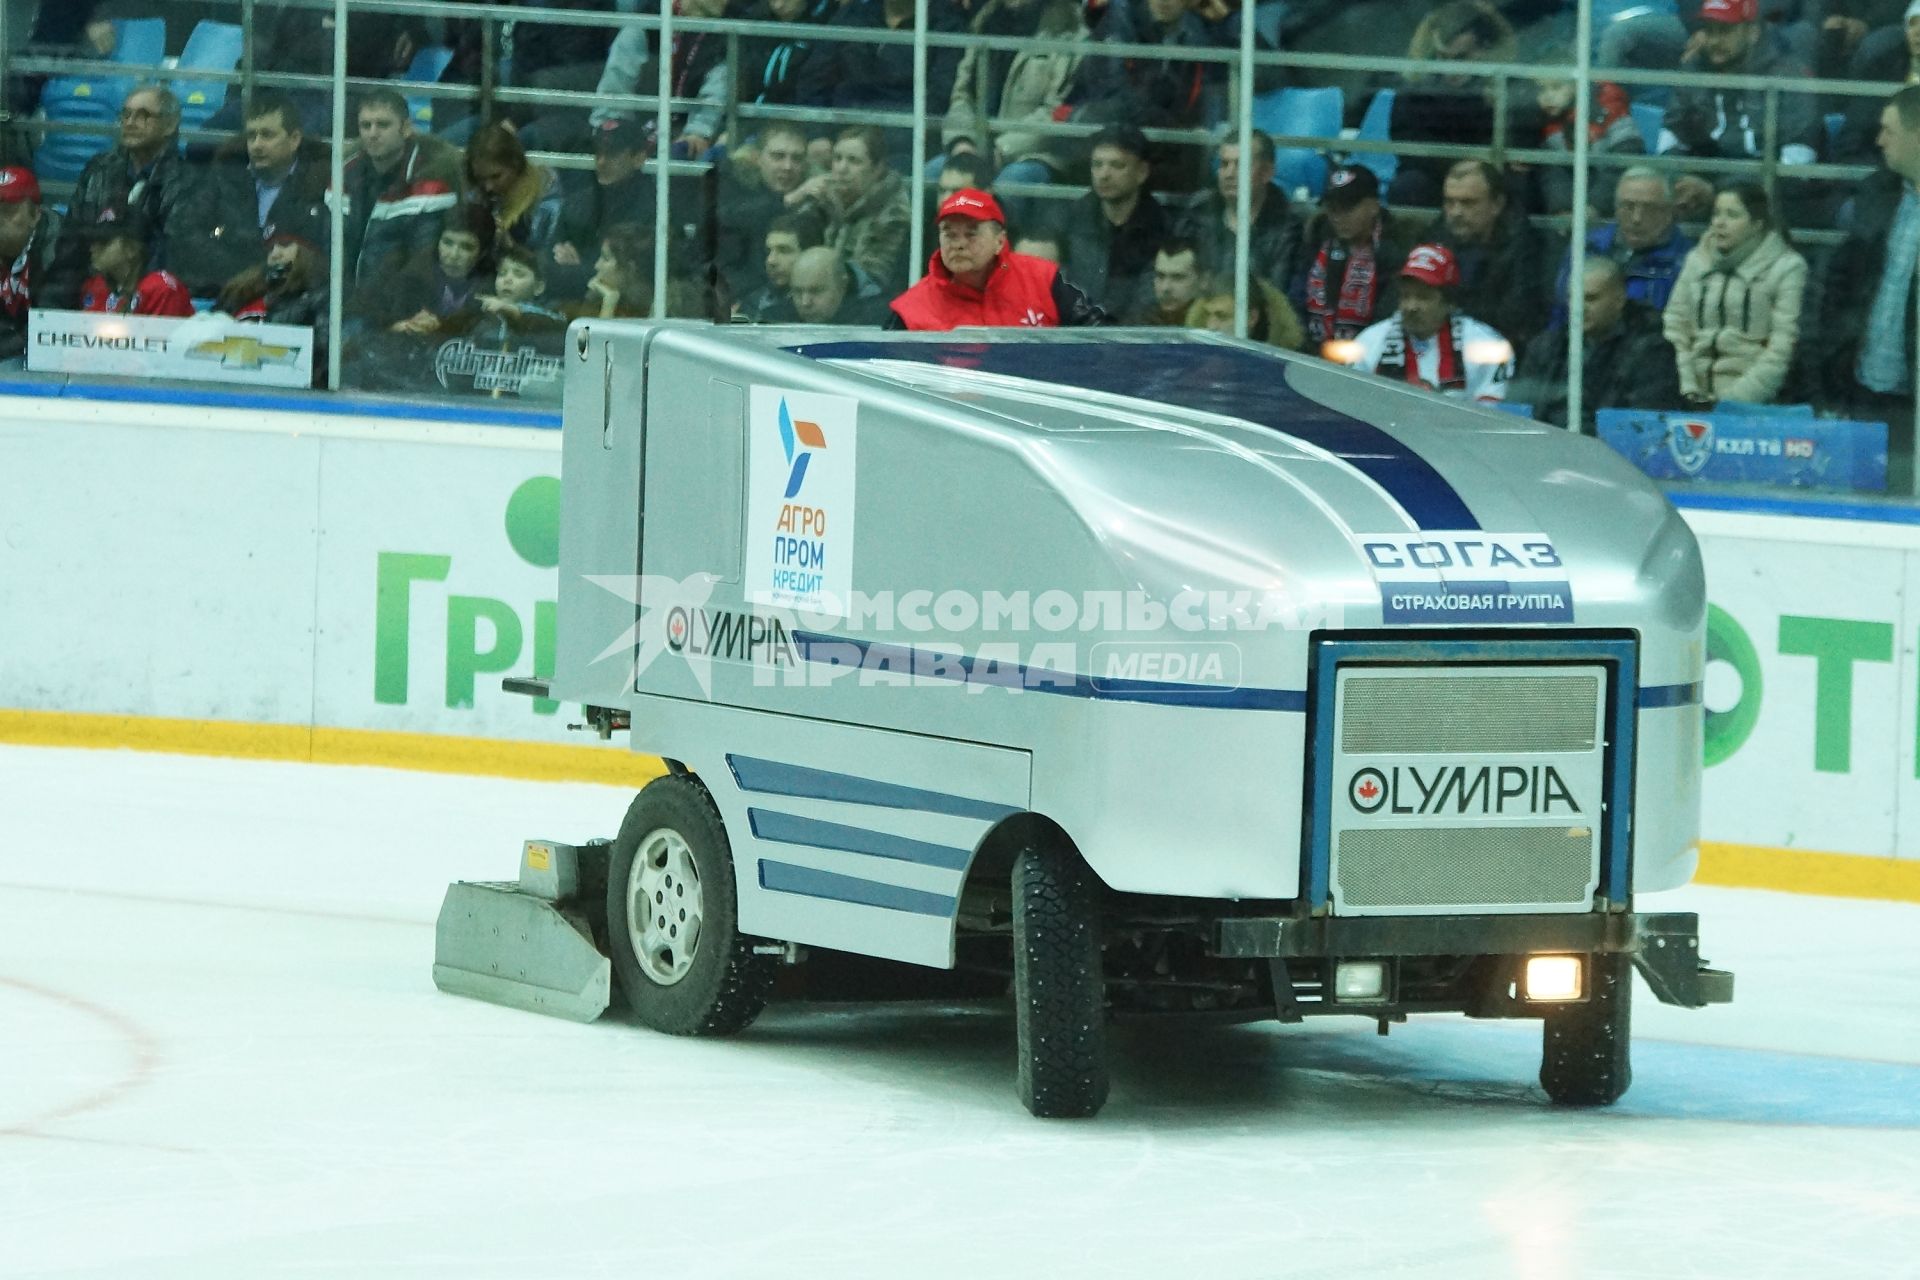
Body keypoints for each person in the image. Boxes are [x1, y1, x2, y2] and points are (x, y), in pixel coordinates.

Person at [1819, 83, 1920, 471]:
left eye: (1888, 130)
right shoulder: (1875, 193)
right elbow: (1841, 287)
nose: (1879, 140)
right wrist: (1832, 382)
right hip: (1863, 389)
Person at [1663, 0, 1822, 208]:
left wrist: (1717, 190)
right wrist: (1678, 181)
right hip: (1699, 188)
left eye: (1725, 31)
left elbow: (1795, 168)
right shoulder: (1694, 69)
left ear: (1753, 32)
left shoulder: (1790, 76)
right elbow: (1671, 137)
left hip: (1770, 201)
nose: (1714, 41)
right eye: (1709, 31)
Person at [1663, 182, 1809, 407]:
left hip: (1754, 404)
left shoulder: (1788, 267)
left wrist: (1731, 403)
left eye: (1732, 215)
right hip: (1688, 395)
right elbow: (1674, 327)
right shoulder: (1696, 260)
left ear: (1757, 224)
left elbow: (1782, 348)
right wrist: (1686, 389)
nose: (1719, 223)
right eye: (1716, 214)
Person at [174, 90, 331, 295]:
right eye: (251, 136)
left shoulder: (320, 185)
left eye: (267, 135)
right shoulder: (224, 176)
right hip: (226, 291)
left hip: (292, 297)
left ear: (294, 139)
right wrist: (253, 268)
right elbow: (186, 233)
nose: (256, 145)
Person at [888, 188, 1108, 329]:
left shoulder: (1042, 280)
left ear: (1000, 241)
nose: (959, 243)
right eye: (949, 234)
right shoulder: (910, 311)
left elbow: (1101, 335)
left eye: (971, 233)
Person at [940, 0, 1089, 202]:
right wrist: (962, 143)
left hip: (1036, 154)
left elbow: (1059, 111)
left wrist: (1002, 150)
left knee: (1008, 187)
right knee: (931, 177)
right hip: (975, 148)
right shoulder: (984, 23)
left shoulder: (1072, 35)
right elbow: (962, 96)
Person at [1513, 257, 1681, 432]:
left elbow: (1642, 426)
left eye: (1591, 298)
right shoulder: (1546, 346)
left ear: (1619, 300)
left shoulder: (1651, 351)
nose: (1579, 307)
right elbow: (1519, 411)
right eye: (1572, 298)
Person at [1385, 1, 1519, 207]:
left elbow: (1519, 135)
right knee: (1408, 185)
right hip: (1433, 175)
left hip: (1487, 175)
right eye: (1442, 57)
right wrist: (1458, 171)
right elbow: (1406, 144)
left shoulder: (1505, 85)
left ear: (1485, 49)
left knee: (1519, 184)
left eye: (1460, 58)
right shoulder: (1417, 86)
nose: (1449, 68)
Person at [1344, 243, 1515, 403]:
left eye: (1423, 297)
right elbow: (1351, 406)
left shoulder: (1488, 346)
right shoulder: (1367, 342)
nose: (1411, 306)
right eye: (1405, 296)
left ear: (1449, 301)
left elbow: (1494, 418)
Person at [1426, 158, 1561, 357]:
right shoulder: (1435, 237)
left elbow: (1518, 320)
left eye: (1468, 203)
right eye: (1449, 202)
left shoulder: (1525, 247)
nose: (1456, 212)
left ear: (1497, 204)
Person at [62, 83, 195, 284]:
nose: (131, 122)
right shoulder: (98, 170)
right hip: (91, 290)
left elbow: (177, 255)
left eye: (143, 115)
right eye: (126, 114)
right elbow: (72, 242)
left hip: (152, 294)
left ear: (170, 124)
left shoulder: (187, 181)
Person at [340, 88, 463, 291]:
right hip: (339, 300)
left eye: (383, 125)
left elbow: (421, 264)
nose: (372, 134)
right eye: (365, 126)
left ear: (406, 128)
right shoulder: (342, 176)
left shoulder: (433, 186)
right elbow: (328, 251)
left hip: (396, 305)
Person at [1291, 164, 1421, 354]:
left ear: (1373, 206)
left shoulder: (1397, 246)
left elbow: (1390, 313)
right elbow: (1297, 296)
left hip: (1371, 355)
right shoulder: (1317, 237)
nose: (1338, 217)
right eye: (1333, 208)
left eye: (1348, 208)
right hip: (1312, 351)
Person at [1050, 124, 1171, 317]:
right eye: (1097, 165)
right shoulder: (1069, 220)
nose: (1104, 175)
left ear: (1142, 172)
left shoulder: (1162, 227)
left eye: (1117, 166)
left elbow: (1149, 302)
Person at [1549, 168, 1694, 328]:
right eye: (1628, 206)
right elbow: (1561, 312)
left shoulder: (1687, 262)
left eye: (1649, 208)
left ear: (1669, 213)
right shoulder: (1586, 247)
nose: (1636, 218)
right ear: (1616, 209)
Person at [1175, 131, 1302, 293]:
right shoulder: (1196, 214)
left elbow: (1276, 296)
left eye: (1240, 165)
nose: (1229, 174)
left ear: (1267, 172)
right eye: (1224, 164)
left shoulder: (1287, 226)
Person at [817, 126, 912, 291]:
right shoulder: (824, 197)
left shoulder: (894, 213)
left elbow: (874, 279)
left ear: (877, 169)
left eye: (853, 161)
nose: (841, 169)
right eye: (837, 158)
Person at [380, 206, 497, 335]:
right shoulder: (407, 272)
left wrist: (440, 327)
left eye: (466, 247)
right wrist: (397, 328)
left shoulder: (498, 282)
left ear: (483, 252)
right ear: (438, 242)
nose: (453, 254)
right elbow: (368, 320)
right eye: (447, 242)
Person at [465, 122, 565, 255]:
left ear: (515, 164)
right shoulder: (474, 192)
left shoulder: (546, 192)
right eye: (481, 178)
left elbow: (543, 253)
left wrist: (508, 245)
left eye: (496, 176)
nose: (488, 187)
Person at [78, 214, 195, 317]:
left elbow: (155, 340)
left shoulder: (161, 289)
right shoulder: (95, 285)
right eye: (92, 241)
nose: (92, 249)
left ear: (132, 249)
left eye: (104, 242)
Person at [215, 232, 330, 332]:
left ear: (306, 250)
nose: (275, 254)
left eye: (285, 244)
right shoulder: (243, 292)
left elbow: (320, 347)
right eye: (270, 248)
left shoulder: (319, 299)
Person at [736, 214, 823, 322]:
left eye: (784, 251)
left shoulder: (820, 307)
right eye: (768, 251)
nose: (771, 260)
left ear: (810, 254)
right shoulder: (753, 301)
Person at [1186, 274, 1304, 349]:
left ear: (1252, 318)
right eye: (1207, 315)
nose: (1210, 326)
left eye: (1222, 317)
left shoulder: (1290, 365)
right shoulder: (1195, 359)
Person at [790, 246, 891, 325]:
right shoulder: (780, 319)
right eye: (797, 291)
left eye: (816, 291)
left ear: (842, 285)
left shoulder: (879, 322)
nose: (805, 303)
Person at [1131, 238, 1204, 325]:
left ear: (1203, 280)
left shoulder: (1215, 323)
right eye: (1160, 276)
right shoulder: (1139, 324)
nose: (1165, 288)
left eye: (1178, 278)